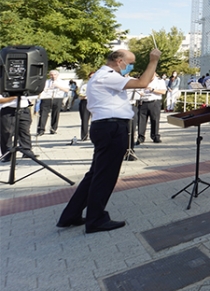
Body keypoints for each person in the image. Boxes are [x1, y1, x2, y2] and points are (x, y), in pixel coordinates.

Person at [57, 47, 161, 233]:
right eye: (130, 63)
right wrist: (153, 61)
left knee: (95, 174)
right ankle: (96, 219)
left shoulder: (104, 76)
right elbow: (143, 82)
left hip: (106, 126)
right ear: (119, 61)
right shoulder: (107, 76)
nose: (131, 67)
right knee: (105, 176)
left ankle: (70, 214)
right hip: (111, 127)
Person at [0, 95, 34, 162]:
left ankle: (26, 150)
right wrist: (14, 97)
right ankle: (7, 153)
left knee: (25, 130)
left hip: (24, 109)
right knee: (7, 132)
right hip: (8, 110)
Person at [136, 73, 167, 144]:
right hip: (143, 102)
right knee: (141, 120)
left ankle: (155, 136)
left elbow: (163, 91)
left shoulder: (160, 81)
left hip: (154, 102)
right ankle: (141, 137)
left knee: (155, 119)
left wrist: (152, 90)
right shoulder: (143, 80)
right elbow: (138, 90)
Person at [37, 71, 69, 135]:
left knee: (55, 113)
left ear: (57, 75)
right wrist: (49, 88)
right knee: (43, 113)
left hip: (57, 98)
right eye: (51, 75)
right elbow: (42, 90)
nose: (53, 76)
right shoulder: (46, 82)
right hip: (46, 98)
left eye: (54, 75)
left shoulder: (62, 82)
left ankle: (53, 129)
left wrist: (58, 86)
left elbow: (67, 90)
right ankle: (41, 129)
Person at [78, 74, 93, 141]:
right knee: (84, 119)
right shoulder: (85, 86)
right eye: (90, 77)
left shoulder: (100, 85)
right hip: (85, 101)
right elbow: (81, 96)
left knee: (96, 120)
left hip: (96, 102)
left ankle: (94, 135)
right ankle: (84, 136)